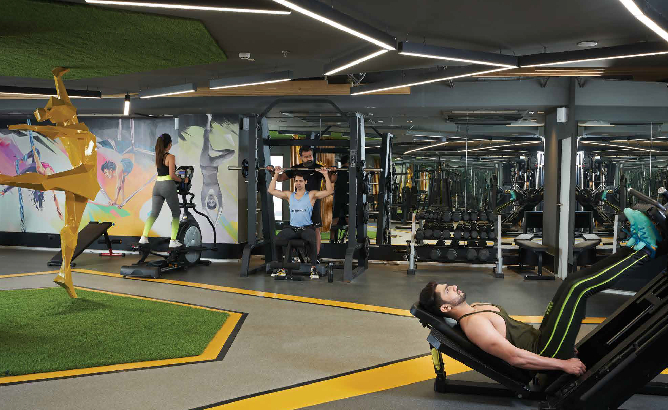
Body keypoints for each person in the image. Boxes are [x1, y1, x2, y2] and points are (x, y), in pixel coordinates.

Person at [419, 208, 662, 377]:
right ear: (445, 307)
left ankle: (634, 245)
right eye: (447, 291)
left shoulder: (475, 308)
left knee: (572, 281)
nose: (453, 286)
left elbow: (517, 333)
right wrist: (562, 364)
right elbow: (515, 358)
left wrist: (562, 336)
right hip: (544, 350)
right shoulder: (473, 325)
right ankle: (645, 252)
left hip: (545, 338)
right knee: (578, 289)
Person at [267, 147, 336, 257]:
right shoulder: (296, 169)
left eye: (310, 156)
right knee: (297, 228)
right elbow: (280, 178)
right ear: (301, 157)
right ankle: (297, 255)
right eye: (306, 157)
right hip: (298, 201)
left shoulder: (318, 168)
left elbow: (332, 180)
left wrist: (333, 172)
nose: (309, 158)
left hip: (313, 201)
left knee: (316, 228)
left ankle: (316, 256)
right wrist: (272, 171)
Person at [268, 167, 333, 279]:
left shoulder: (311, 195)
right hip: (292, 229)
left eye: (301, 181)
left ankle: (313, 268)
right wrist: (276, 174)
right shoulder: (289, 195)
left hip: (306, 228)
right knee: (277, 240)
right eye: (296, 181)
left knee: (312, 239)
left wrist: (326, 175)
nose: (298, 183)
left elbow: (329, 191)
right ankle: (281, 267)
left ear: (305, 182)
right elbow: (271, 190)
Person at [139, 133, 188, 248]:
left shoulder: (158, 156)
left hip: (157, 186)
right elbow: (172, 175)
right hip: (167, 186)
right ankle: (173, 240)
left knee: (154, 213)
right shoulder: (170, 157)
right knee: (176, 213)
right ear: (169, 144)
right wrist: (183, 180)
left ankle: (143, 237)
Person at [330, 155, 349, 243]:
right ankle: (350, 238)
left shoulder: (338, 171)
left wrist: (332, 172)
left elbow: (332, 180)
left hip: (338, 198)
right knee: (349, 219)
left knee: (335, 219)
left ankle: (332, 240)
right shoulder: (351, 172)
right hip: (347, 198)